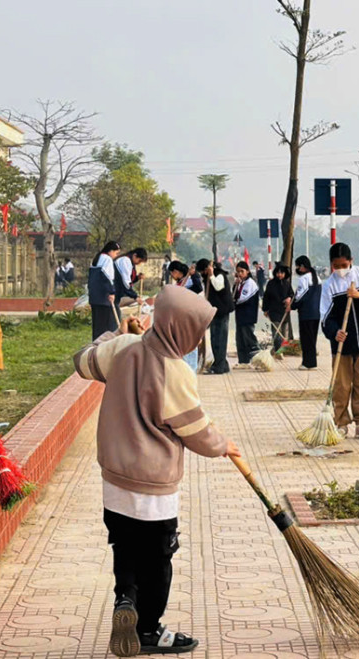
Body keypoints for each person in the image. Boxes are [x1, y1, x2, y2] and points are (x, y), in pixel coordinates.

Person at [73, 285, 241, 657]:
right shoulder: (175, 370)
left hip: (115, 480)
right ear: (180, 329)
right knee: (157, 558)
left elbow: (82, 361)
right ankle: (148, 629)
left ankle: (125, 601)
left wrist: (117, 334)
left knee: (125, 546)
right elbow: (194, 429)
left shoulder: (123, 349)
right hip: (154, 488)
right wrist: (222, 445)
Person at [320, 243, 359, 440]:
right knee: (342, 385)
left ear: (351, 261)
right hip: (342, 345)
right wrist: (334, 332)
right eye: (336, 266)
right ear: (331, 264)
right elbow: (325, 317)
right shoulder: (329, 285)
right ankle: (341, 422)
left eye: (343, 264)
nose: (340, 269)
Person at [198, 259, 233, 375]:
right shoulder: (206, 278)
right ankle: (222, 364)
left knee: (220, 339)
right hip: (213, 312)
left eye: (203, 271)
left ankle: (219, 366)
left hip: (222, 311)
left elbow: (219, 287)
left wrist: (212, 274)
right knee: (214, 338)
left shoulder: (219, 275)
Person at [167, 261, 202, 373]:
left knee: (190, 346)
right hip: (180, 319)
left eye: (172, 273)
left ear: (176, 272)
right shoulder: (180, 283)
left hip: (190, 318)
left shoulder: (190, 281)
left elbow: (198, 287)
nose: (172, 276)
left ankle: (191, 372)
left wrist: (194, 274)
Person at [292, 255, 321, 371]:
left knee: (306, 339)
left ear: (302, 267)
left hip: (306, 314)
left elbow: (300, 297)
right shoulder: (317, 278)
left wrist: (292, 306)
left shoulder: (304, 279)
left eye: (298, 267)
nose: (297, 269)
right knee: (312, 339)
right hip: (316, 313)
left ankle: (308, 363)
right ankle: (311, 361)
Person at [89, 241, 121, 340]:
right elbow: (108, 278)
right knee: (105, 325)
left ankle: (95, 344)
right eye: (116, 253)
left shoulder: (96, 258)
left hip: (94, 297)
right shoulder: (107, 259)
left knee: (97, 325)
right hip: (103, 297)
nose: (115, 256)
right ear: (110, 251)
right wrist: (111, 292)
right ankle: (102, 346)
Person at [232, 261, 260, 368]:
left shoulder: (250, 283)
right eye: (238, 271)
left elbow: (242, 299)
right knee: (240, 339)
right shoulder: (240, 283)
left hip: (247, 316)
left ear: (247, 271)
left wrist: (233, 303)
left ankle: (258, 359)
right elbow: (234, 295)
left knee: (249, 338)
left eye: (242, 271)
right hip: (240, 316)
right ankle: (243, 361)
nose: (239, 274)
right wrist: (235, 285)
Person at [262, 264, 293, 356]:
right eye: (278, 273)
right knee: (276, 332)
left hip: (284, 311)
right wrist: (265, 309)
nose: (280, 275)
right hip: (274, 310)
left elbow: (292, 294)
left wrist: (289, 299)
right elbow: (266, 297)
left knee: (283, 332)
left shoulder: (287, 284)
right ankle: (278, 351)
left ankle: (280, 350)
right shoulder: (271, 284)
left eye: (282, 273)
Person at [114, 248, 148, 320]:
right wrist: (135, 296)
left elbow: (129, 280)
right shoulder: (125, 261)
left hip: (118, 294)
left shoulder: (130, 263)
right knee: (115, 318)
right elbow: (126, 283)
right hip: (114, 292)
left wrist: (137, 278)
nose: (139, 263)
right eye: (139, 261)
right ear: (135, 255)